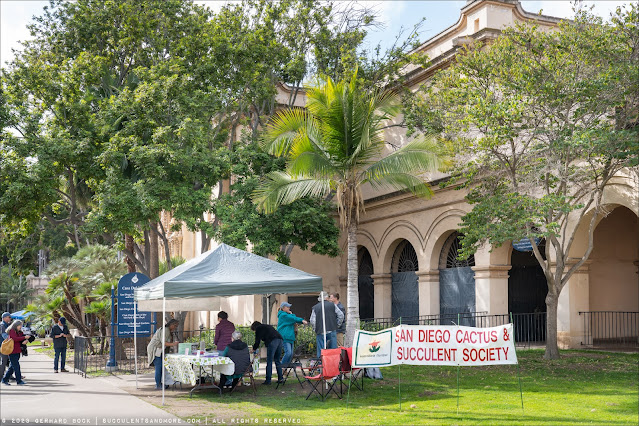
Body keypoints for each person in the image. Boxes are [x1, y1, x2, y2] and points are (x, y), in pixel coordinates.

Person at [147, 319, 180, 390]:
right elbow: (164, 343)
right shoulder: (166, 330)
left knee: (161, 367)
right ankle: (158, 384)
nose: (175, 328)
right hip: (155, 350)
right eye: (175, 326)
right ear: (171, 324)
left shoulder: (167, 330)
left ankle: (160, 383)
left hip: (159, 350)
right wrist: (173, 344)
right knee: (159, 367)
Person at [250, 321, 284, 385]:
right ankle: (280, 378)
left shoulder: (258, 329)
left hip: (272, 341)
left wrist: (254, 349)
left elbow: (257, 341)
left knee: (269, 361)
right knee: (277, 360)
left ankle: (268, 380)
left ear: (254, 327)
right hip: (280, 340)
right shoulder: (266, 326)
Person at [2, 320, 27, 385]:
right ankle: (19, 381)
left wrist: (25, 339)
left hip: (17, 350)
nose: (21, 327)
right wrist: (24, 337)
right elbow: (15, 338)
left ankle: (4, 379)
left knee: (12, 367)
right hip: (12, 351)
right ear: (16, 325)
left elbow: (21, 338)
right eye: (20, 325)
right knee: (16, 366)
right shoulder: (12, 331)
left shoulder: (19, 331)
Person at [0, 312, 12, 381]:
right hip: (3, 347)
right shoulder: (2, 325)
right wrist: (12, 339)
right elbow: (4, 335)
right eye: (9, 317)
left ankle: (9, 375)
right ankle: (1, 377)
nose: (10, 318)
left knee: (8, 361)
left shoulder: (6, 325)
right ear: (4, 318)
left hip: (5, 346)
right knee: (4, 362)